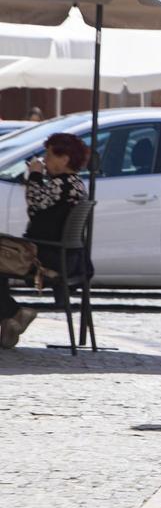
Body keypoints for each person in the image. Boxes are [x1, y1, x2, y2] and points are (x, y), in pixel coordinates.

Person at [0, 133, 89, 349]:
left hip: (45, 256)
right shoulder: (74, 184)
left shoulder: (63, 184)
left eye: (49, 156)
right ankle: (10, 318)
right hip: (61, 254)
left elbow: (35, 206)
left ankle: (13, 314)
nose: (45, 161)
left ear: (64, 159)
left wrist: (35, 175)